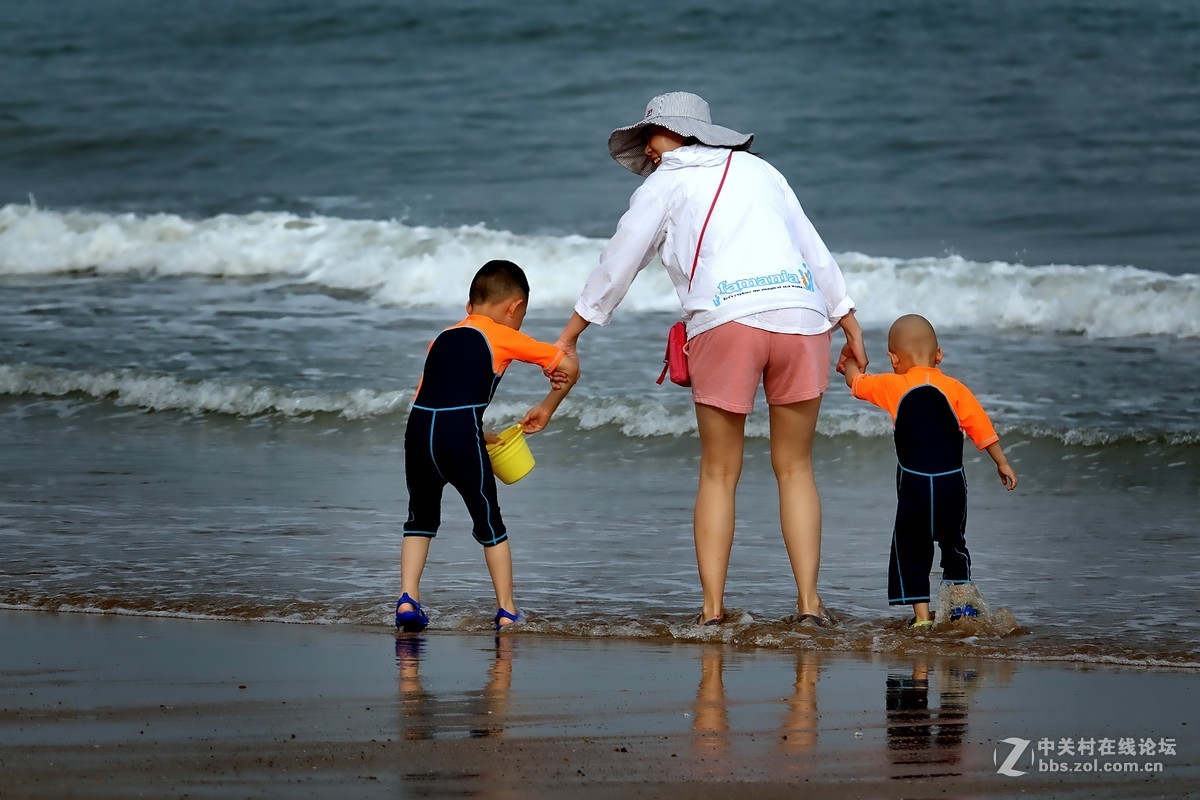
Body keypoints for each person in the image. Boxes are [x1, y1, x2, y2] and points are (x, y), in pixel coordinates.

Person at [533, 91, 867, 627]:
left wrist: (571, 334)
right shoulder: (762, 172)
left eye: (652, 133)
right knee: (796, 469)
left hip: (726, 321)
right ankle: (809, 607)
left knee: (718, 473)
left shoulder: (664, 183)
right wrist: (847, 319)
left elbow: (619, 262)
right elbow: (812, 247)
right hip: (803, 318)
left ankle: (712, 614)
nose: (646, 145)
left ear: (680, 134)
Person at [397, 259, 578, 633]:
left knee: (421, 518)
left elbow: (429, 399)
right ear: (514, 308)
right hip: (459, 432)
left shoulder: (442, 337)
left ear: (469, 306)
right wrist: (549, 401)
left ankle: (407, 600)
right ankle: (508, 610)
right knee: (489, 521)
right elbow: (569, 366)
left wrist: (473, 432)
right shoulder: (501, 334)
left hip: (418, 432)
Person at [842, 314, 1017, 627]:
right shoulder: (955, 388)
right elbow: (981, 428)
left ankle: (922, 619)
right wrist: (1001, 462)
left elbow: (856, 383)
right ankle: (963, 608)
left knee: (912, 547)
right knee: (954, 545)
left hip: (915, 488)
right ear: (939, 355)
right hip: (952, 487)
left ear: (893, 359)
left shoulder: (892, 385)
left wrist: (850, 365)